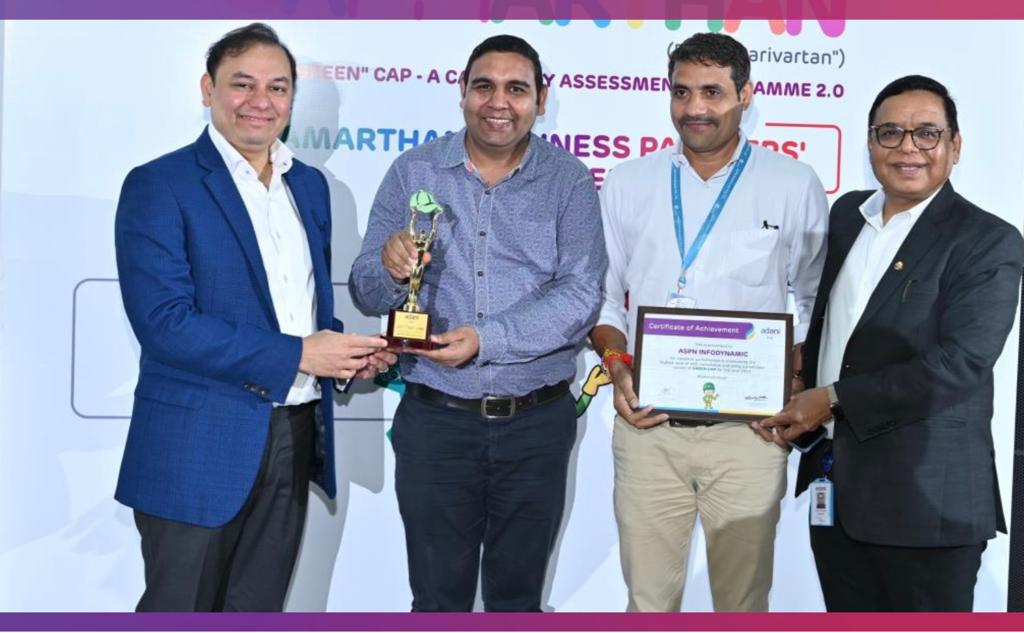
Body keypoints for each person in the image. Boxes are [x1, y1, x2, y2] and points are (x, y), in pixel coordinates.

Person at [114, 23, 394, 611]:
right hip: (197, 444)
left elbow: (298, 310)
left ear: (292, 99)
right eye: (242, 84)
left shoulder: (310, 187)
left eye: (277, 87)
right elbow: (165, 324)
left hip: (294, 434)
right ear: (208, 89)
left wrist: (345, 356)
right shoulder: (160, 185)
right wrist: (301, 354)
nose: (260, 101)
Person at [349, 34, 607, 612]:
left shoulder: (568, 181)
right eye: (485, 86)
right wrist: (388, 266)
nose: (499, 102)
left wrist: (485, 340)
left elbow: (580, 296)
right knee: (437, 602)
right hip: (436, 423)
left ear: (541, 99)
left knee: (517, 603)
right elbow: (365, 290)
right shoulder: (414, 172)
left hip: (536, 425)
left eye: (517, 89)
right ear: (462, 91)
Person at [756, 75, 1024, 611]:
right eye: (890, 132)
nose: (907, 148)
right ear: (870, 142)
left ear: (954, 145)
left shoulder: (988, 240)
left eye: (927, 133)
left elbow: (959, 365)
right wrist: (799, 375)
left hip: (927, 505)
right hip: (838, 492)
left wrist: (831, 400)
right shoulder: (847, 215)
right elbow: (835, 323)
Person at [590, 32, 828, 612]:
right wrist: (617, 367)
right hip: (649, 428)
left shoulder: (792, 183)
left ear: (745, 95)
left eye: (712, 92)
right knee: (648, 603)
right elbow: (603, 300)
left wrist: (795, 384)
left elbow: (812, 303)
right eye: (682, 92)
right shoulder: (627, 182)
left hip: (748, 435)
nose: (695, 107)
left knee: (742, 604)